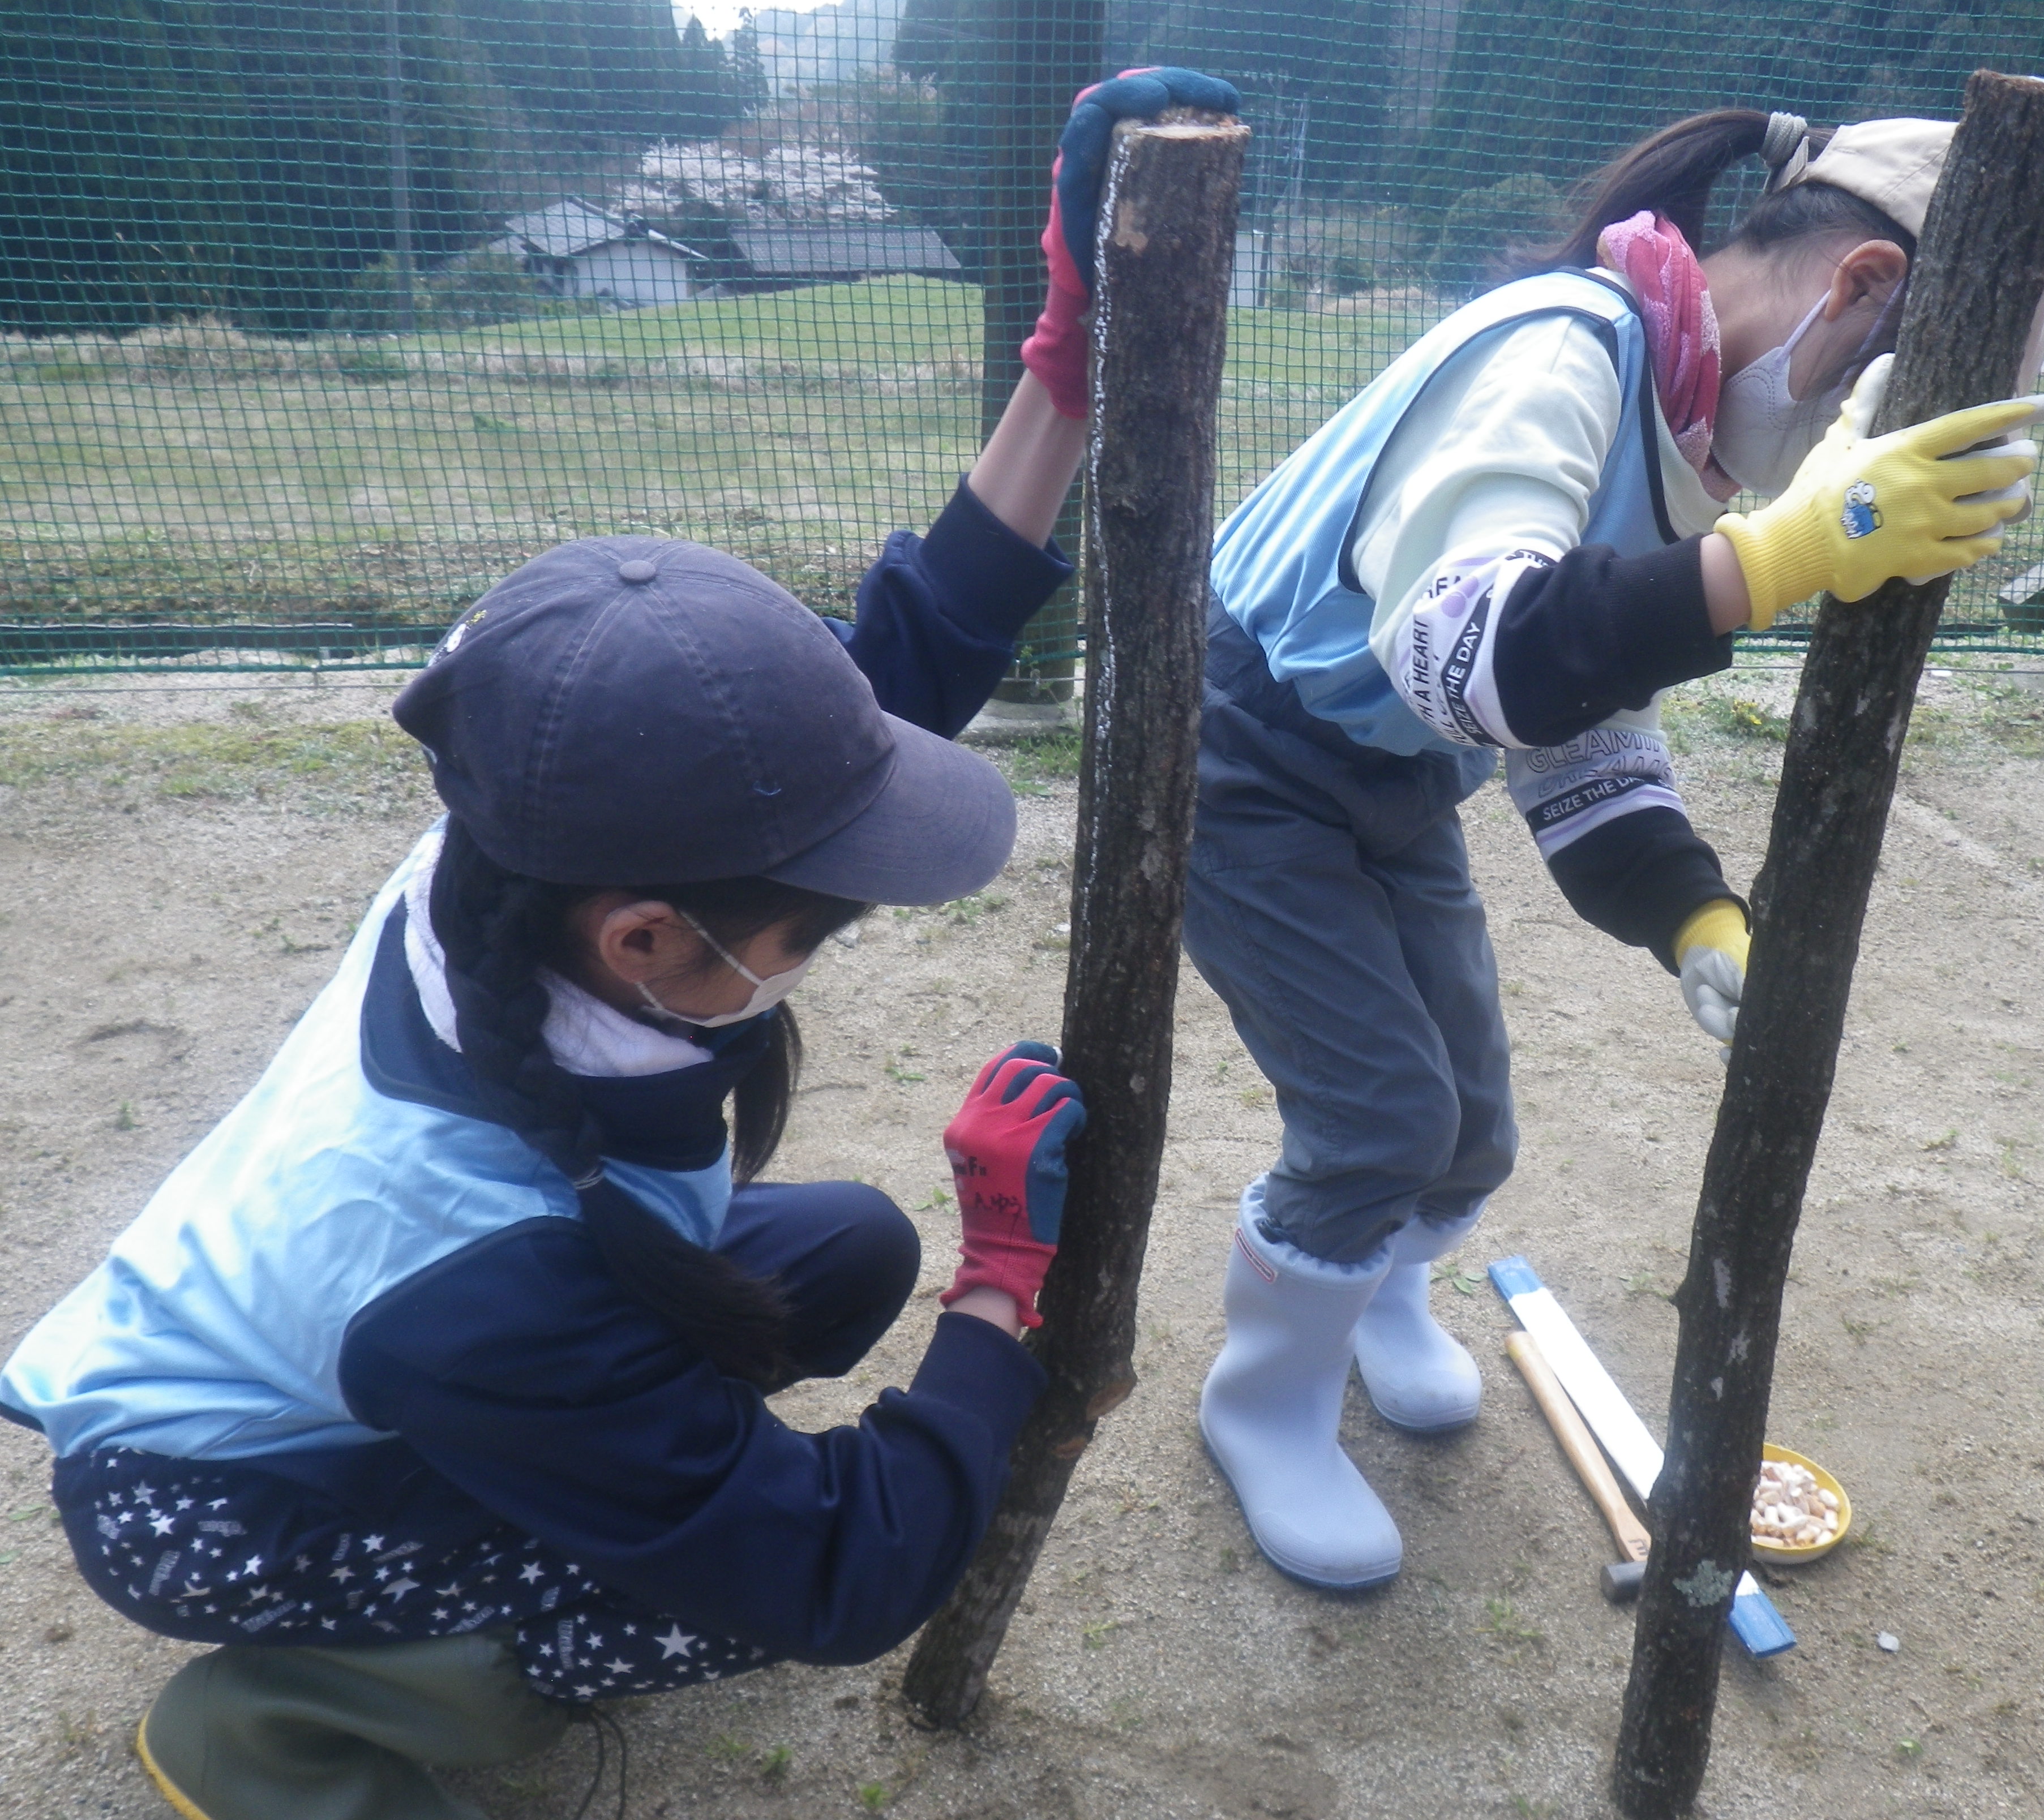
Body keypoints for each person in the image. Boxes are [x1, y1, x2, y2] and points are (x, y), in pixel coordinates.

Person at [0, 67, 1236, 1820]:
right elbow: (843, 1579)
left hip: (404, 1353)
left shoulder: (529, 836)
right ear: (650, 936)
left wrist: (1065, 372)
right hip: (208, 1501)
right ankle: (280, 1725)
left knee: (843, 1254)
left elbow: (877, 687)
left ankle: (570, 1497)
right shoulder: (482, 1273)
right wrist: (999, 1291)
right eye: (828, 910)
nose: (847, 914)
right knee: (697, 1600)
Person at [1189, 108, 2044, 1588]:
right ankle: (1263, 1404)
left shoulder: (1680, 431)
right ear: (1856, 288)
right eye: (1878, 411)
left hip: (1399, 776)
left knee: (1472, 1118)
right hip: (1240, 754)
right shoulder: (1560, 353)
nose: (1841, 456)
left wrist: (1692, 916)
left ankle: (1377, 1300)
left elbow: (1577, 732)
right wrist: (1783, 556)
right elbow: (1478, 655)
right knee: (1382, 1114)